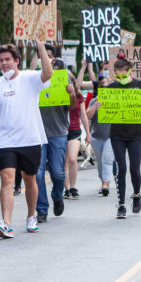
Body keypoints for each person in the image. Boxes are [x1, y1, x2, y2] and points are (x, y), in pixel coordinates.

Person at [0, 38, 52, 237]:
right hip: (5, 141)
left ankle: (31, 215)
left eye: (8, 59)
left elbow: (48, 73)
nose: (4, 63)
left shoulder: (29, 78)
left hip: (30, 139)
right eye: (1, 60)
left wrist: (40, 46)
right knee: (7, 179)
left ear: (17, 61)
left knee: (30, 179)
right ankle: (6, 223)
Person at [92, 57, 141, 218]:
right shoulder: (111, 88)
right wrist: (99, 105)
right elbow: (102, 109)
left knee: (135, 169)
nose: (121, 79)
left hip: (136, 133)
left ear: (130, 71)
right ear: (114, 74)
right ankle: (121, 205)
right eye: (118, 76)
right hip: (117, 134)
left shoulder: (140, 85)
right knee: (121, 168)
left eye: (124, 75)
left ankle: (136, 195)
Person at [35, 53, 76, 224]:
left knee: (58, 174)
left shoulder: (65, 80)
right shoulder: (35, 81)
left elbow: (72, 106)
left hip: (58, 133)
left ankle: (58, 196)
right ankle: (41, 209)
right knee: (37, 174)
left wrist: (72, 94)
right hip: (37, 134)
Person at [86, 76, 114, 196]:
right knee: (100, 162)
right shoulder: (94, 101)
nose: (106, 88)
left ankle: (105, 185)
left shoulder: (116, 100)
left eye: (108, 86)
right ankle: (103, 180)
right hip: (97, 136)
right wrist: (95, 106)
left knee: (107, 159)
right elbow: (88, 116)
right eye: (103, 86)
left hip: (111, 136)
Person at [64, 70, 88, 198]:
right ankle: (66, 189)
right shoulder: (57, 96)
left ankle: (73, 187)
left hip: (74, 130)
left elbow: (83, 116)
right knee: (63, 162)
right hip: (61, 131)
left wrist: (88, 134)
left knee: (73, 159)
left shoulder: (79, 96)